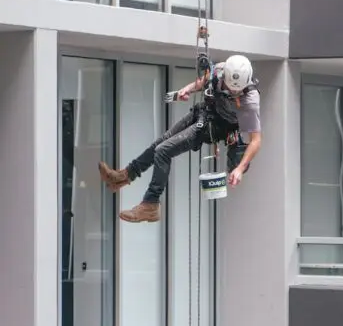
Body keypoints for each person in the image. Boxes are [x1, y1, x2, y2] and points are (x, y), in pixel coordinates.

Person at [98, 55, 262, 223]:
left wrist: (240, 169)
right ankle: (124, 176)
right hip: (204, 113)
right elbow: (203, 82)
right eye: (230, 88)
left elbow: (255, 140)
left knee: (163, 151)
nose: (233, 92)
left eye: (237, 91)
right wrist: (187, 89)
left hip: (214, 128)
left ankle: (150, 204)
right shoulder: (220, 70)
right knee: (159, 144)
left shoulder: (250, 100)